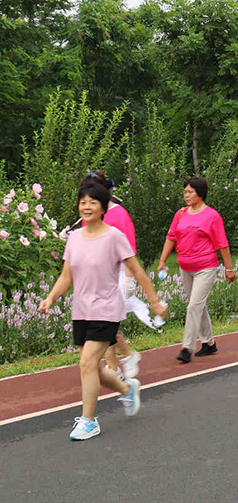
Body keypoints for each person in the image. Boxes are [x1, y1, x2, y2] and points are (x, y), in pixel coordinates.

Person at [39, 182, 167, 440]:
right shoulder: (74, 238)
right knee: (93, 369)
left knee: (86, 363)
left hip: (107, 309)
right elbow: (66, 276)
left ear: (103, 207)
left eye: (93, 202)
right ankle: (128, 390)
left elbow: (138, 271)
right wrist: (50, 297)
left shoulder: (114, 237)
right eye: (83, 202)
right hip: (81, 311)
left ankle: (89, 421)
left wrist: (154, 302)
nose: (86, 207)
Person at [78, 171, 158, 381]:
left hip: (119, 273)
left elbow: (129, 248)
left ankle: (116, 365)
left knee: (104, 322)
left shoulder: (120, 214)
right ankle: (124, 358)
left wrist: (130, 278)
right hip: (98, 275)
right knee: (103, 322)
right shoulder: (90, 215)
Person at [157, 177, 236, 364]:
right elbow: (171, 236)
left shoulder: (212, 216)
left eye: (190, 192)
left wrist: (229, 269)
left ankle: (187, 347)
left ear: (200, 193)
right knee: (199, 305)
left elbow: (222, 244)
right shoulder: (180, 214)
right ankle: (209, 343)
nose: (186, 195)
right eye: (185, 192)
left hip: (205, 267)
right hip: (185, 267)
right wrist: (162, 260)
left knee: (193, 306)